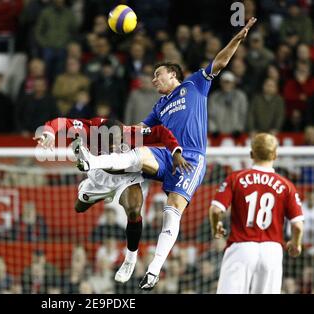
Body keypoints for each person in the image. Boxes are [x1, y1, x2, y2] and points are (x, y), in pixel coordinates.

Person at [74, 18, 257, 290]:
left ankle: (154, 268)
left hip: (192, 159)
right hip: (166, 153)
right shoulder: (160, 106)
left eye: (157, 74)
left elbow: (219, 63)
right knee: (139, 153)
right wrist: (111, 129)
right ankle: (92, 162)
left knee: (171, 212)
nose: (153, 79)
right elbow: (138, 129)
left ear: (173, 74)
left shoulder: (195, 84)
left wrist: (237, 38)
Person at [35, 116, 187, 283]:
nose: (115, 147)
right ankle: (97, 192)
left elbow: (160, 131)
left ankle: (130, 259)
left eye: (118, 141)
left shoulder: (131, 133)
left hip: (126, 176)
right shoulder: (89, 130)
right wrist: (49, 132)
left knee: (134, 210)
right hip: (100, 175)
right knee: (79, 207)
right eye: (110, 143)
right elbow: (62, 122)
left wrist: (175, 151)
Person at [209, 133, 304, 294]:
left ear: (251, 153)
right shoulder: (286, 185)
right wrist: (296, 244)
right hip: (272, 251)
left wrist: (216, 226)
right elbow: (298, 226)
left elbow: (216, 210)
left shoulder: (236, 178)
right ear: (275, 155)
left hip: (241, 247)